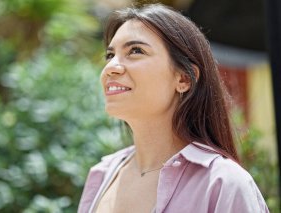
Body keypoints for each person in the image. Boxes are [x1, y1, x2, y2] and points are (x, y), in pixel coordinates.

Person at [78, 3, 269, 213]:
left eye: (135, 50)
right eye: (110, 55)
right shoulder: (102, 175)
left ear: (184, 78)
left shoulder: (223, 183)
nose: (111, 67)